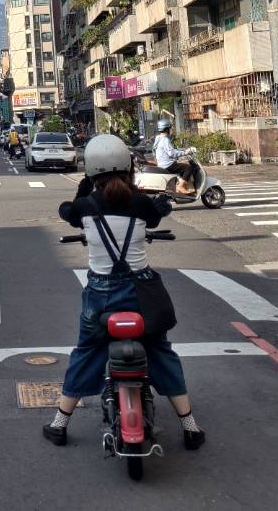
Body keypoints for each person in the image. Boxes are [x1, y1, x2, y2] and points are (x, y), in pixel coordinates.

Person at [45, 134, 204, 450]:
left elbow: (68, 210)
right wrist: (159, 202)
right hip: (143, 292)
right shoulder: (141, 205)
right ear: (128, 167)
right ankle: (190, 426)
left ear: (91, 171)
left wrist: (83, 186)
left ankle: (59, 423)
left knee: (87, 352)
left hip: (100, 294)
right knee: (160, 351)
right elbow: (158, 212)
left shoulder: (85, 207)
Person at [152, 119, 197, 194]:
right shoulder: (165, 140)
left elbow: (169, 151)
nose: (170, 130)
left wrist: (181, 151)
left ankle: (182, 185)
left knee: (182, 165)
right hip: (167, 164)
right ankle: (181, 186)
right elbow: (172, 153)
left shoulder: (158, 138)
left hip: (162, 164)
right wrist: (185, 152)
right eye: (170, 128)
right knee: (188, 168)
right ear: (166, 129)